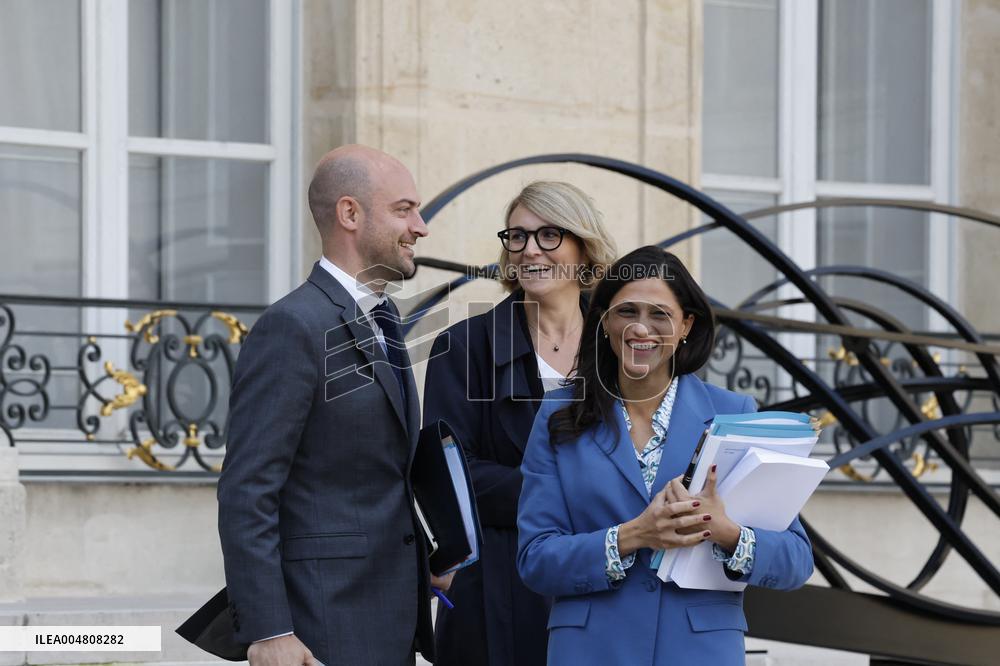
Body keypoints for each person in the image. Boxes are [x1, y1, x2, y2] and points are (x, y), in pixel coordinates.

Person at [516, 246, 814, 665]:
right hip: (590, 650)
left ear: (686, 325)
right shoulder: (558, 414)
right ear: (603, 321)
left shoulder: (735, 413)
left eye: (660, 314)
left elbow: (795, 561)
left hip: (698, 652)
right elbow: (535, 559)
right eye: (626, 312)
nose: (641, 328)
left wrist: (724, 530)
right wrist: (634, 534)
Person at [217, 144, 452, 666]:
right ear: (350, 213)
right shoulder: (292, 326)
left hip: (390, 617)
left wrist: (429, 554)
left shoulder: (385, 317)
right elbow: (247, 489)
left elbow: (376, 470)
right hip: (318, 626)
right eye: (404, 209)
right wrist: (268, 628)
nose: (421, 226)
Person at [422, 181, 617, 665]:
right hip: (498, 587)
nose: (530, 249)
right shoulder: (464, 346)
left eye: (549, 235)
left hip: (612, 579)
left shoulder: (622, 344)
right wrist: (570, 492)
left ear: (584, 247)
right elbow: (449, 473)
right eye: (517, 236)